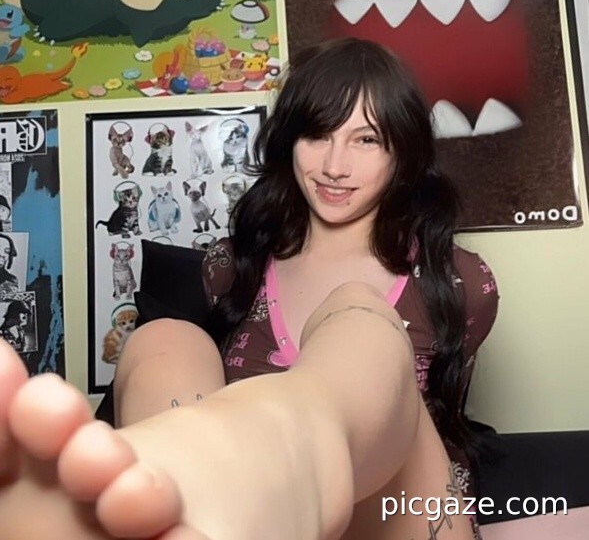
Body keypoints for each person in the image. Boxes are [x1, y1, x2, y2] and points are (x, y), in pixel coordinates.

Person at [0, 37, 498, 540]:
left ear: (403, 152)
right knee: (166, 337)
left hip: (392, 521)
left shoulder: (458, 282)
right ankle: (171, 489)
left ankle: (234, 482)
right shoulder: (230, 267)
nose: (335, 166)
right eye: (317, 135)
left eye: (366, 140)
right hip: (241, 523)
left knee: (359, 318)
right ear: (289, 140)